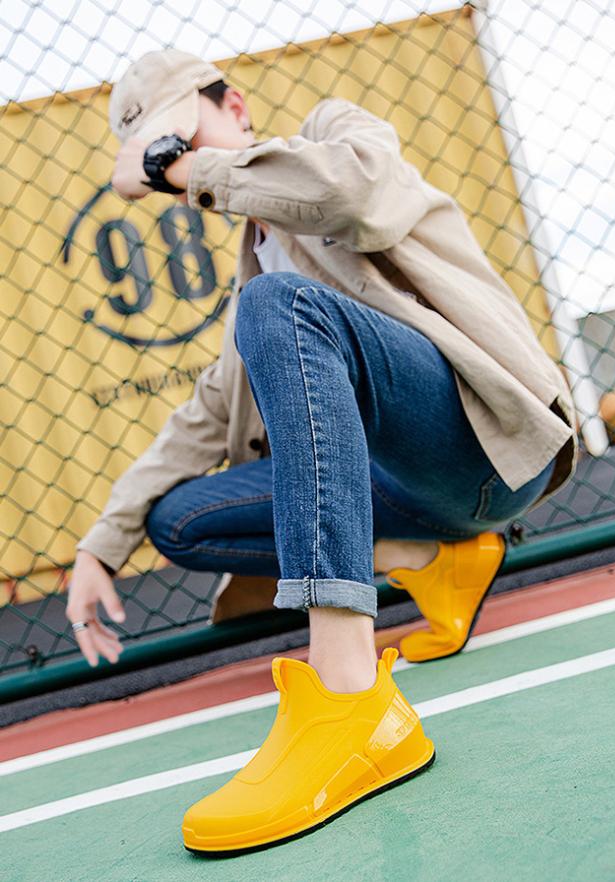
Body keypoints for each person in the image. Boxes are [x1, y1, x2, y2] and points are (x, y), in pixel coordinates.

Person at [66, 48, 579, 853]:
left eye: (180, 141)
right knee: (179, 519)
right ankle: (430, 556)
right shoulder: (255, 279)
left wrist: (185, 169)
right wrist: (98, 547)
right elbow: (200, 419)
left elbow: (355, 195)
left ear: (235, 107)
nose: (174, 169)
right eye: (159, 156)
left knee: (281, 306)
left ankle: (348, 693)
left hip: (482, 448)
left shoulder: (337, 135)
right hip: (401, 488)